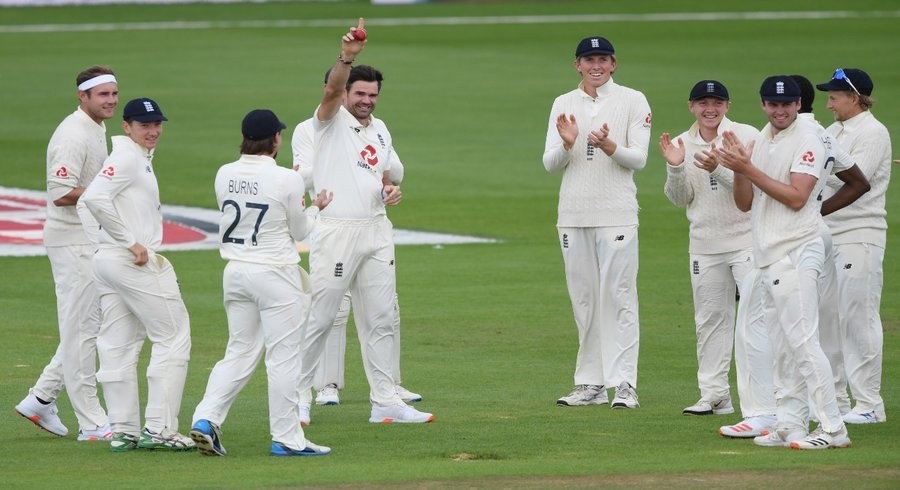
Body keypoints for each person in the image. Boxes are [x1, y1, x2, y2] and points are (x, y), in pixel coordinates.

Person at [715, 75, 870, 441]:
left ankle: (833, 428)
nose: (780, 110)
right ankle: (791, 423)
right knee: (782, 344)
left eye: (787, 104)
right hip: (769, 252)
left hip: (798, 248)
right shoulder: (764, 141)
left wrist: (749, 168)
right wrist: (740, 168)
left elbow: (799, 197)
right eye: (773, 104)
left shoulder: (809, 138)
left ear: (799, 104)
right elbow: (745, 203)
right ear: (763, 105)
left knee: (801, 340)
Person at [297, 18, 434, 424]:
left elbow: (381, 175)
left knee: (380, 317)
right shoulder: (325, 123)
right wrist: (348, 56)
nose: (367, 100)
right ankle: (297, 395)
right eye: (359, 93)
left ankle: (385, 401)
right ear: (345, 94)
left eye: (373, 94)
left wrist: (387, 191)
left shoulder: (380, 129)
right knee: (321, 316)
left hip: (376, 229)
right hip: (337, 230)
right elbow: (330, 90)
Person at [189, 109, 332, 457]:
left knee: (239, 351)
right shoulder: (287, 179)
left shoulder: (224, 173)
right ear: (276, 139)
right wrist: (316, 207)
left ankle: (206, 418)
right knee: (284, 358)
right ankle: (286, 438)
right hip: (274, 273)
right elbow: (300, 231)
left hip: (235, 272)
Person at [543, 35, 651, 409]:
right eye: (589, 59)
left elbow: (638, 159)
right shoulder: (563, 102)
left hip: (617, 213)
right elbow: (550, 164)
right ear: (577, 65)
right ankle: (590, 383)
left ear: (614, 63)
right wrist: (569, 143)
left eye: (603, 59)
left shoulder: (633, 100)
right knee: (585, 300)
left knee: (618, 296)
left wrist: (609, 146)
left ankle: (624, 384)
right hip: (573, 214)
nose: (596, 65)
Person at [81, 97, 194, 452]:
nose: (153, 131)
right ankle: (160, 428)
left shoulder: (136, 157)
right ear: (126, 127)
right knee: (173, 337)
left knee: (118, 344)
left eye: (157, 124)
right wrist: (130, 242)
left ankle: (124, 430)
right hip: (130, 261)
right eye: (144, 125)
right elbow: (95, 198)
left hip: (108, 261)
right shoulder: (127, 157)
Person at [15, 65, 116, 442]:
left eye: (113, 93)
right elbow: (61, 192)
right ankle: (91, 422)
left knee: (88, 326)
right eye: (102, 94)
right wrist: (107, 196)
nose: (111, 101)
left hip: (86, 238)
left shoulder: (95, 128)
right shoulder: (73, 134)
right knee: (82, 331)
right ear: (83, 96)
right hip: (71, 242)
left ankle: (41, 398)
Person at [659, 80, 758, 416]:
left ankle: (765, 397)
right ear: (691, 107)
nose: (710, 108)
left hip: (747, 240)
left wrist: (720, 168)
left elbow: (756, 192)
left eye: (716, 102)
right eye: (703, 102)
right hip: (704, 244)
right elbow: (679, 199)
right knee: (709, 320)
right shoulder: (680, 143)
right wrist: (675, 166)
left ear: (728, 105)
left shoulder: (746, 136)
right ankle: (715, 395)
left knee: (756, 318)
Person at [816, 68, 891, 424]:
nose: (828, 103)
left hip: (861, 233)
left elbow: (852, 180)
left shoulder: (874, 132)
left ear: (854, 97)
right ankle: (837, 400)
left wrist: (811, 166)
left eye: (834, 96)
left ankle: (869, 404)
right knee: (827, 317)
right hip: (828, 234)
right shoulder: (832, 132)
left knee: (857, 317)